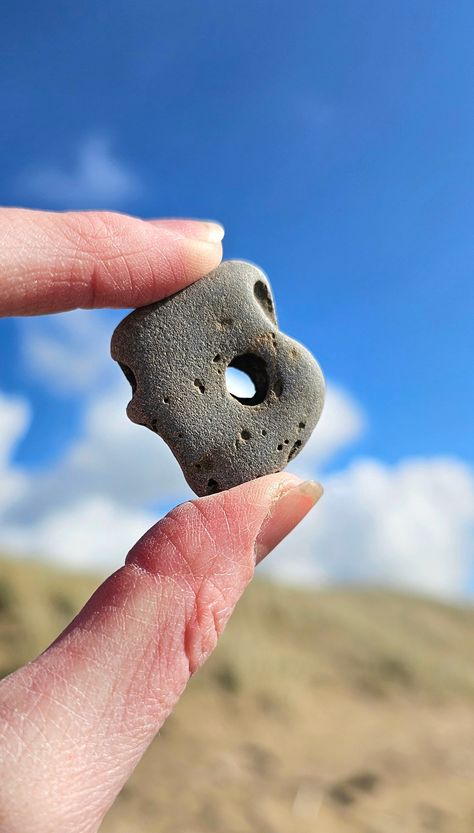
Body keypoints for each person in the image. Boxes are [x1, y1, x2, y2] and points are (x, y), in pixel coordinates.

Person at [0, 208, 322, 832]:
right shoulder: (240, 392)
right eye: (135, 385)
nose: (136, 412)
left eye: (140, 388)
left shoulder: (280, 388)